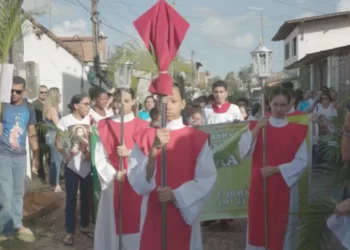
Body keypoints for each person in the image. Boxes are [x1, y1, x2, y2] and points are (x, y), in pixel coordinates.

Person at [127, 83, 217, 250]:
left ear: (182, 103)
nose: (168, 105)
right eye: (163, 101)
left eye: (173, 101)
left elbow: (207, 178)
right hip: (152, 210)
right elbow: (137, 181)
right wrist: (153, 150)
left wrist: (176, 194)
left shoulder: (196, 138)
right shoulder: (144, 137)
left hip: (184, 210)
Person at [239, 87, 308, 250]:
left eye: (282, 105)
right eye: (275, 104)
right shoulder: (256, 126)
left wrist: (276, 169)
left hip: (284, 185)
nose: (278, 109)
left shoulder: (296, 131)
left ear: (290, 104)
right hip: (260, 184)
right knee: (259, 226)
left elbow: (302, 161)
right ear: (269, 103)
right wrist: (256, 129)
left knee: (281, 229)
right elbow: (244, 152)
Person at [93, 88, 149, 250]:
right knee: (112, 226)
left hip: (136, 184)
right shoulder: (104, 125)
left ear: (133, 101)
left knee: (138, 223)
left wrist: (130, 154)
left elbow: (149, 156)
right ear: (114, 101)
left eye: (126, 100)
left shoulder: (144, 126)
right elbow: (100, 156)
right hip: (113, 184)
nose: (122, 104)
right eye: (119, 100)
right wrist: (113, 174)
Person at [0, 76, 39, 239]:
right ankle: (6, 227)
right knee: (5, 193)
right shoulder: (2, 106)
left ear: (24, 91)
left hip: (21, 156)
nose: (14, 94)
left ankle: (17, 224)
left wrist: (35, 156)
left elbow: (32, 132)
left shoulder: (29, 108)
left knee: (18, 192)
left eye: (17, 91)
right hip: (3, 155)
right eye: (11, 90)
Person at [55, 94, 93, 246]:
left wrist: (91, 154)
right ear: (76, 105)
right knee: (71, 198)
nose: (88, 106)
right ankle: (69, 231)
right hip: (71, 166)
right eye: (85, 103)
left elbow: (96, 140)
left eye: (89, 104)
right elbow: (58, 142)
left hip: (87, 165)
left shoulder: (91, 119)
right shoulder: (65, 120)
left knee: (86, 198)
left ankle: (85, 225)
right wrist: (65, 155)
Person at [43, 87, 63, 192]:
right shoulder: (53, 109)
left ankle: (52, 183)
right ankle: (56, 184)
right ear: (55, 96)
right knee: (57, 161)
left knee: (54, 160)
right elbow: (58, 124)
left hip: (50, 135)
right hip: (54, 135)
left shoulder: (49, 108)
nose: (61, 96)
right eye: (59, 94)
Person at [32, 85, 48, 183]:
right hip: (39, 131)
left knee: (50, 152)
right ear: (38, 93)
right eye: (42, 92)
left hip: (48, 131)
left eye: (45, 92)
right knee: (40, 153)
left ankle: (55, 174)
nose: (44, 94)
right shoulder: (34, 104)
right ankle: (41, 175)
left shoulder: (49, 104)